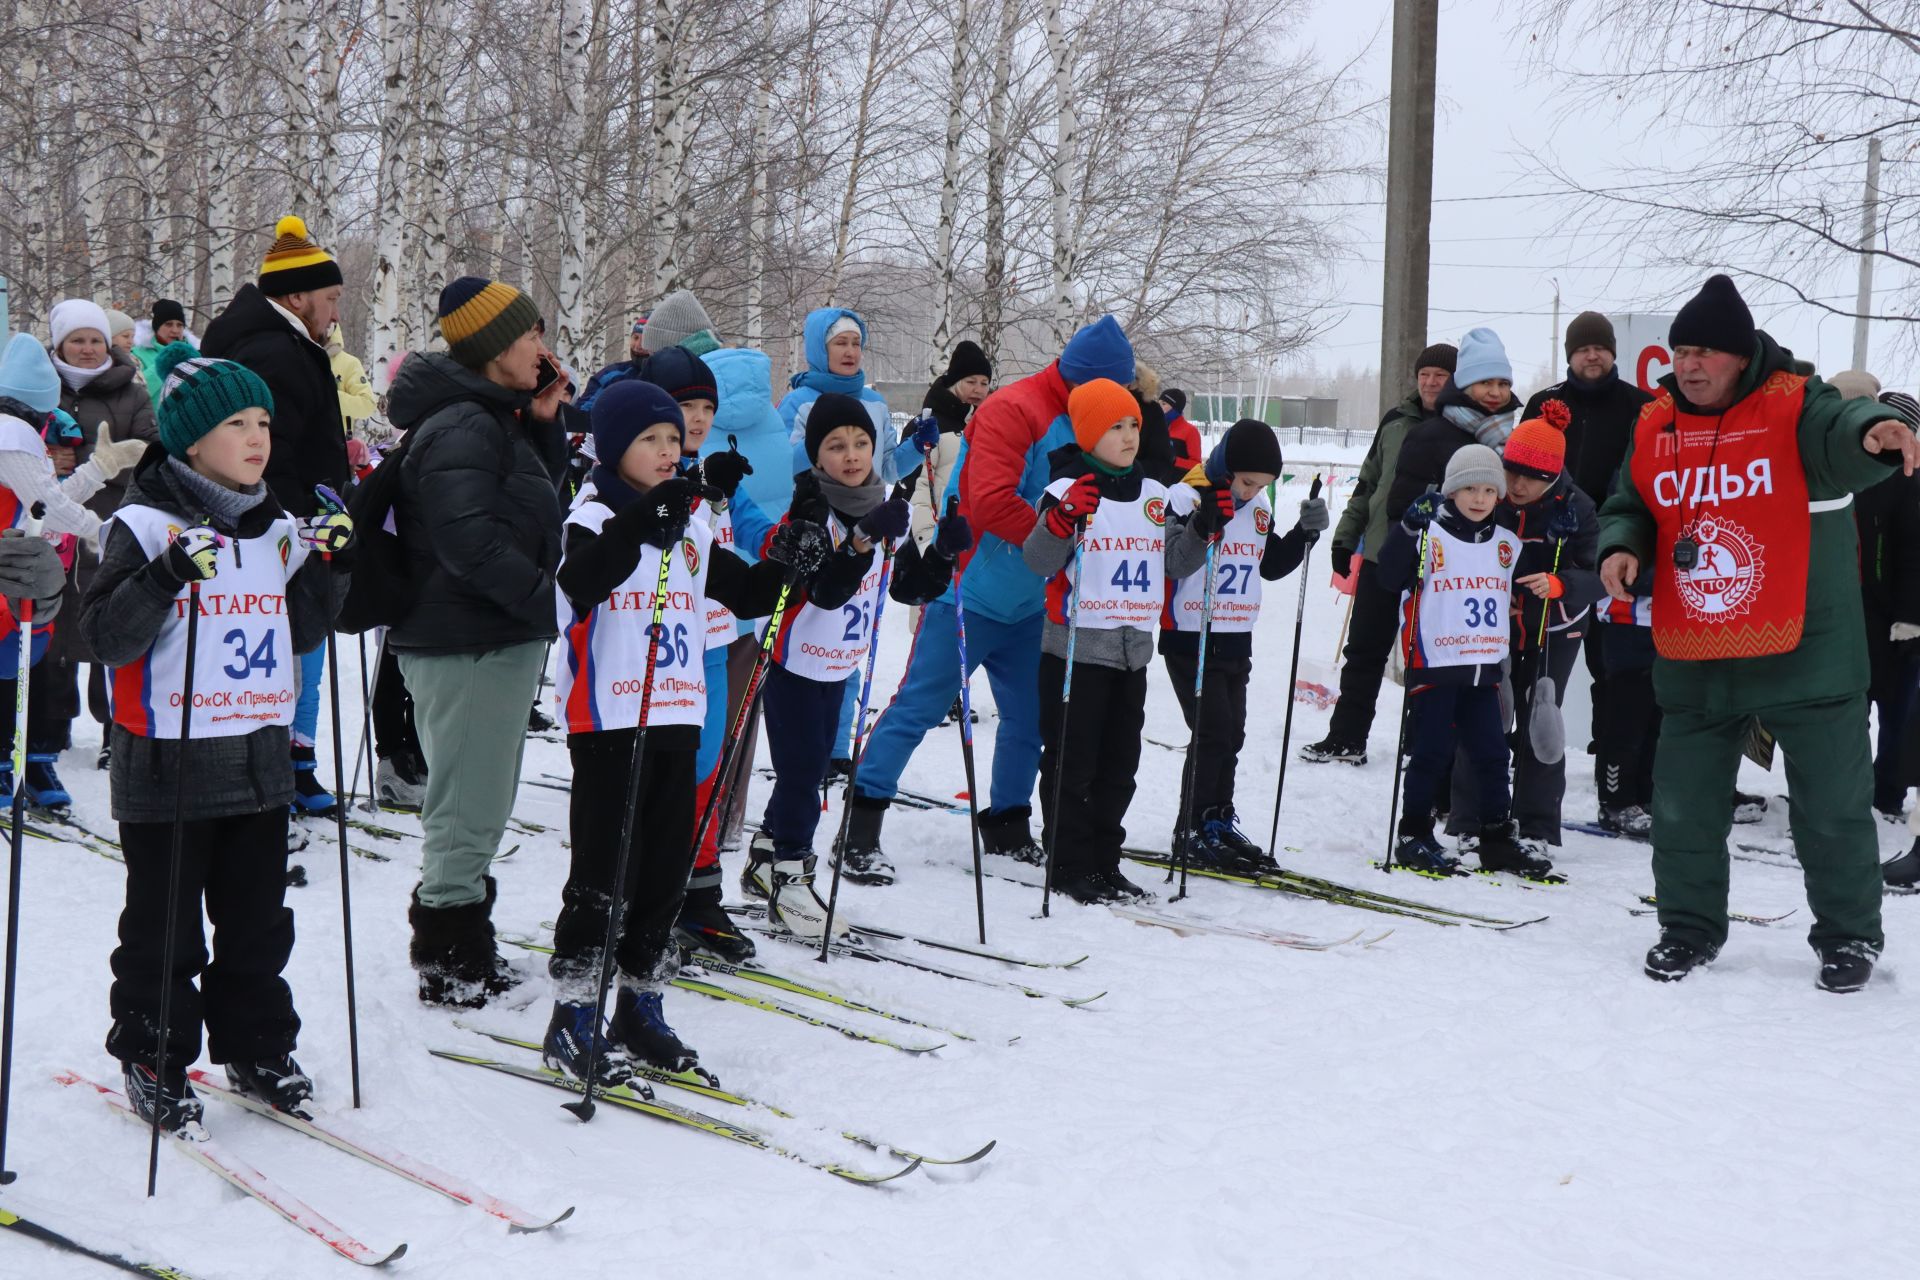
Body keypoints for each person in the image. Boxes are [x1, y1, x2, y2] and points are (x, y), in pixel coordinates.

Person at [1597, 273, 1920, 992]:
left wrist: (1875, 431)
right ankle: (1687, 929)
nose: (1689, 364)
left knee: (1833, 810)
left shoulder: (1796, 404)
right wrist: (1621, 545)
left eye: (1706, 351)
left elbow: (1844, 432)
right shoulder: (1656, 423)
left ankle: (1848, 939)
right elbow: (1631, 500)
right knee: (1682, 810)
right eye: (1682, 350)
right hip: (1698, 651)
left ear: (1742, 358)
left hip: (1805, 649)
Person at [80, 341, 351, 1132]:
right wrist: (165, 576)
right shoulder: (143, 523)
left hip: (260, 761)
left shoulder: (274, 529)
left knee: (258, 921)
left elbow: (304, 629)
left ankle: (257, 1043)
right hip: (170, 766)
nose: (257, 436)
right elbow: (102, 637)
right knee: (165, 928)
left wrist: (329, 564)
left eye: (263, 420)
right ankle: (153, 1051)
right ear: (192, 440)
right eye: (237, 422)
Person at [542, 380, 830, 1083]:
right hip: (611, 720)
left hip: (676, 714)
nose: (670, 451)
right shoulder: (592, 514)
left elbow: (752, 592)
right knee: (604, 874)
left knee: (666, 871)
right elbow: (581, 580)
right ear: (614, 449)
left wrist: (793, 555)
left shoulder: (693, 527)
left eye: (675, 439)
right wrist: (641, 522)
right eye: (652, 440)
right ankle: (574, 1014)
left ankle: (642, 1003)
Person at [848, 315, 1136, 872]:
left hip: (1032, 601)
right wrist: (1063, 534)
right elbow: (988, 501)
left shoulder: (1093, 416)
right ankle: (862, 818)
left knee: (1029, 719)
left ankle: (1007, 823)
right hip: (970, 590)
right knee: (920, 705)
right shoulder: (1016, 409)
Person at [386, 276, 566, 1008]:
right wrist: (545, 600)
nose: (543, 350)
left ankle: (464, 942)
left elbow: (526, 502)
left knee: (479, 800)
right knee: (465, 805)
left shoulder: (494, 417)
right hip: (466, 638)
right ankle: (450, 960)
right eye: (530, 337)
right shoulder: (464, 423)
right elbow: (469, 544)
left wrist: (547, 421)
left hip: (485, 634)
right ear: (495, 348)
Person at [747, 393, 965, 930]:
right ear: (816, 455)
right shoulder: (808, 508)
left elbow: (906, 587)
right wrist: (862, 540)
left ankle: (765, 853)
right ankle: (791, 879)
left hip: (839, 663)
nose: (851, 455)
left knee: (813, 762)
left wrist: (940, 554)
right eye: (836, 445)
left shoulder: (880, 501)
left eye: (862, 443)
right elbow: (822, 591)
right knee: (804, 774)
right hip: (794, 659)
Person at [1023, 378, 1207, 904]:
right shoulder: (1066, 489)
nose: (1128, 436)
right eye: (1114, 427)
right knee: (1072, 763)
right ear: (1087, 434)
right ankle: (1067, 862)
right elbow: (1038, 561)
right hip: (1075, 653)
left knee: (1119, 766)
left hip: (1132, 655)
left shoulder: (1153, 494)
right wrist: (1060, 520)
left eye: (1132, 425)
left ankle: (1106, 860)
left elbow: (1173, 562)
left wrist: (1202, 528)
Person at [201, 215, 350, 817]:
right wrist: (301, 521)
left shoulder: (281, 342)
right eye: (331, 298)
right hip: (278, 531)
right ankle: (279, 767)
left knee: (292, 652)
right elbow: (267, 454)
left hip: (283, 526)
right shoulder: (274, 349)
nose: (336, 313)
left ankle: (288, 764)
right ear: (296, 296)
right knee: (290, 651)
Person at [634, 347, 774, 961]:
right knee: (658, 783)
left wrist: (785, 541)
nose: (696, 418)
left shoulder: (712, 475)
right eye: (684, 406)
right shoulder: (646, 477)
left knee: (706, 775)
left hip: (713, 646)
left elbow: (751, 526)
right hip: (655, 659)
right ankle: (644, 902)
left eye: (705, 407)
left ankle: (698, 899)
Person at [1441, 400, 1603, 870]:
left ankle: (1535, 827)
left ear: (1553, 476)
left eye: (1530, 477)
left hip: (1556, 627)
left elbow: (1598, 575)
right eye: (1511, 471)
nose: (1516, 485)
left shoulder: (1578, 508)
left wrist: (1563, 583)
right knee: (1485, 716)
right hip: (1494, 625)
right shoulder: (1494, 498)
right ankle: (1470, 820)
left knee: (1541, 723)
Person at [1161, 419, 1328, 869]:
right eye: (1247, 482)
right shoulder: (1185, 495)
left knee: (1231, 734)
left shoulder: (1257, 507)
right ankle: (1191, 828)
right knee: (1211, 732)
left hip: (1236, 635)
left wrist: (1302, 535)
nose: (1253, 491)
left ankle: (1216, 819)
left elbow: (1268, 565)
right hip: (1190, 634)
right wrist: (1204, 522)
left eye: (1264, 485)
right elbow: (1174, 564)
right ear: (1225, 468)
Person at [0, 332, 148, 800]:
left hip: (22, 565)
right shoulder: (12, 434)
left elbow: (48, 501)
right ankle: (7, 761)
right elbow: (48, 504)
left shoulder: (20, 435)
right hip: (11, 567)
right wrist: (100, 528)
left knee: (20, 661)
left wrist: (98, 469)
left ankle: (18, 761)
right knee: (11, 663)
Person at [1305, 342, 1457, 765]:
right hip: (1378, 554)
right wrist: (1344, 539)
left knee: (1427, 656)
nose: (1429, 382)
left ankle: (1421, 742)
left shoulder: (1464, 426)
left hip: (1435, 561)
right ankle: (1347, 738)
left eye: (1440, 376)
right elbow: (1367, 485)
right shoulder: (1395, 422)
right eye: (1424, 374)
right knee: (1365, 651)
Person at [1381, 446, 1528, 875]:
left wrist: (1557, 546)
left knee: (1492, 753)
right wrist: (1408, 529)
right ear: (1451, 491)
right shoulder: (1430, 534)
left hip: (1484, 667)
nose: (1479, 499)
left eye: (1487, 490)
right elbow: (1389, 576)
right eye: (1469, 489)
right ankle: (1413, 832)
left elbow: (1527, 582)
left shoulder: (1506, 542)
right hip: (1436, 662)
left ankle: (1496, 835)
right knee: (1431, 752)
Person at [48, 299, 159, 786]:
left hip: (109, 523)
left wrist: (97, 463)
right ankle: (50, 729)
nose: (88, 349)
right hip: (50, 525)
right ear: (60, 344)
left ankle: (115, 729)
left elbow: (152, 452)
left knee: (106, 622)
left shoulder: (131, 392)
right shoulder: (40, 390)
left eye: (95, 340)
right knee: (51, 626)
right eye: (78, 340)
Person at [130, 299, 190, 402]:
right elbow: (135, 395)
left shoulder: (194, 353)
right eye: (168, 324)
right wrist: (165, 362)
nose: (175, 330)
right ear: (157, 327)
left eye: (179, 325)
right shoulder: (136, 354)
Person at [326, 325, 377, 434]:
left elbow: (367, 405)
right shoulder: (299, 358)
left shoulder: (349, 363)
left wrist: (331, 398)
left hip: (337, 446)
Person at [1159, 387, 1202, 473]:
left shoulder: (1190, 431)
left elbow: (1197, 465)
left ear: (1175, 407)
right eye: (1158, 404)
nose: (1159, 407)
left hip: (1179, 483)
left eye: (1163, 404)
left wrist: (1174, 460)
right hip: (1157, 483)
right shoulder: (1157, 429)